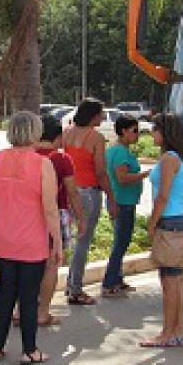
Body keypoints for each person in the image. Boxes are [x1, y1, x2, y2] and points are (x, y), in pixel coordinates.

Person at [0, 111, 62, 365]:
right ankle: (29, 350)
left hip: (2, 237)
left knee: (6, 292)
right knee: (28, 294)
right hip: (31, 239)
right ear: (35, 132)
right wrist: (57, 242)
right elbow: (50, 208)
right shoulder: (42, 164)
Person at [140, 113, 183, 348]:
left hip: (168, 222)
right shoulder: (178, 158)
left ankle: (167, 333)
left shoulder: (169, 159)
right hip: (177, 220)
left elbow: (163, 196)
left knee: (169, 282)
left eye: (155, 129)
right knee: (176, 280)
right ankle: (176, 331)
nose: (152, 134)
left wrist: (152, 223)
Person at [27, 114, 86, 326]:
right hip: (56, 214)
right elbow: (72, 192)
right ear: (57, 137)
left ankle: (19, 311)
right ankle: (42, 313)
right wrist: (81, 218)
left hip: (28, 216)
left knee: (27, 265)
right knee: (51, 264)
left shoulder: (27, 155)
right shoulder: (61, 159)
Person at [62, 98, 117, 305]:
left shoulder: (67, 133)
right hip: (88, 192)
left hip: (69, 189)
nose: (102, 117)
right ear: (93, 116)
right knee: (83, 242)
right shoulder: (95, 138)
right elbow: (101, 171)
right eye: (100, 114)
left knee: (76, 239)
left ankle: (71, 284)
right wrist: (111, 196)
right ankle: (75, 289)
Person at [101, 114, 149, 298]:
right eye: (134, 131)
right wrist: (144, 175)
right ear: (123, 131)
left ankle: (117, 279)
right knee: (121, 243)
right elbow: (122, 178)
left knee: (120, 241)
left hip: (122, 201)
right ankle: (109, 282)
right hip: (123, 202)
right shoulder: (121, 153)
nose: (137, 135)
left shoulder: (114, 150)